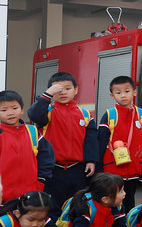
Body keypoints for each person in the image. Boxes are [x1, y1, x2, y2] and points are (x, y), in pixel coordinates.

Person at [27, 72, 98, 205]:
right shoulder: (47, 112)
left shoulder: (85, 114)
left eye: (67, 88)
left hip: (77, 169)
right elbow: (34, 114)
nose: (63, 92)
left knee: (76, 205)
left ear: (76, 90)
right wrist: (47, 95)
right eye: (58, 89)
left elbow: (91, 141)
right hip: (53, 170)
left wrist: (91, 161)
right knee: (53, 207)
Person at [97, 76, 142, 211]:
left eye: (127, 91)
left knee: (129, 203)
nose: (123, 95)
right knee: (110, 203)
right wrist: (98, 170)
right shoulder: (109, 115)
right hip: (112, 170)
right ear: (112, 95)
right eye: (118, 93)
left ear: (134, 92)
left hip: (134, 169)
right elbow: (100, 144)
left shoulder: (141, 114)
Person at [0, 90, 53, 203]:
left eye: (14, 108)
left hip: (30, 197)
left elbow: (46, 157)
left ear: (22, 109)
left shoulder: (32, 131)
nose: (10, 113)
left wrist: (40, 181)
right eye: (4, 110)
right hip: (3, 198)